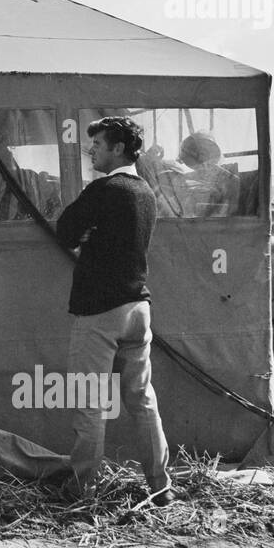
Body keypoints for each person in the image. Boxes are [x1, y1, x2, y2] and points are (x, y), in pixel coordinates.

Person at [54, 116, 174, 504]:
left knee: (89, 402)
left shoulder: (104, 190)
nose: (92, 151)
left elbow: (66, 230)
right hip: (139, 309)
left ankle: (82, 490)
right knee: (142, 399)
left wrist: (87, 235)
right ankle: (161, 486)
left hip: (100, 311)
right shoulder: (145, 193)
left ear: (118, 149)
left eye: (99, 146)